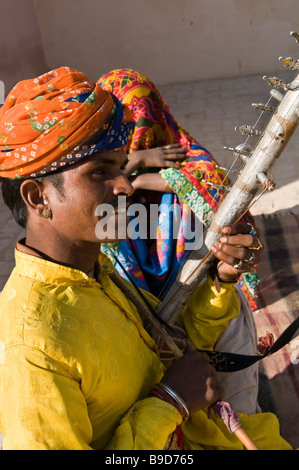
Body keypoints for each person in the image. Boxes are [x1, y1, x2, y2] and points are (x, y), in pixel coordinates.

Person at [0, 67, 291, 450]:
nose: (124, 186)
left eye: (121, 167)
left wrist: (221, 280)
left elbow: (170, 343)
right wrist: (170, 402)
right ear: (38, 198)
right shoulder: (32, 347)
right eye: (99, 172)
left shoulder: (95, 274)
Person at [97, 69, 259, 310]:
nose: (139, 129)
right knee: (109, 217)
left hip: (178, 253)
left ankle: (191, 289)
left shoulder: (172, 142)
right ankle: (138, 299)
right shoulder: (102, 157)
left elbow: (206, 177)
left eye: (142, 117)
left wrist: (141, 181)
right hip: (133, 253)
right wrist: (136, 160)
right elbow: (102, 193)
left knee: (183, 203)